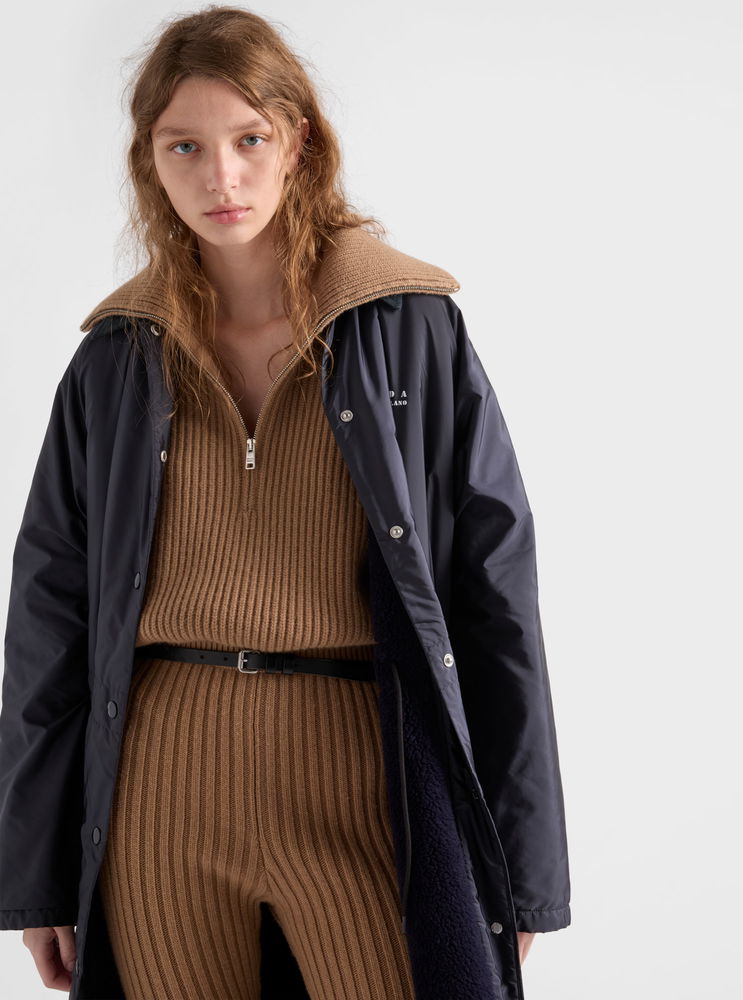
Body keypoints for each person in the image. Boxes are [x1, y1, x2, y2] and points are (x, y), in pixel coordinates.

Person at [0, 6, 570, 999]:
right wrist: (35, 871)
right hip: (161, 789)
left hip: (362, 775)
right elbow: (49, 619)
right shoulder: (117, 357)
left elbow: (496, 599)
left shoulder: (409, 331)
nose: (220, 176)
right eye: (185, 146)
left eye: (249, 139)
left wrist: (522, 873)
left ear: (297, 142)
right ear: (150, 161)